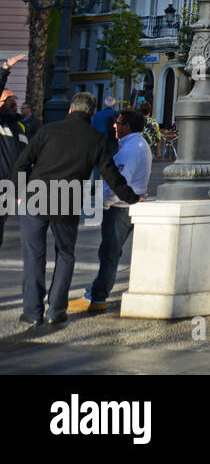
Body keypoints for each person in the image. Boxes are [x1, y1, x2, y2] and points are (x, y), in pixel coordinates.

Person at [11, 92, 141, 326]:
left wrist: (20, 192)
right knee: (65, 254)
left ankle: (31, 312)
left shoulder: (47, 131)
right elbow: (112, 176)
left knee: (33, 255)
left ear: (70, 110)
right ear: (91, 114)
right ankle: (56, 311)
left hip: (35, 196)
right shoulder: (96, 139)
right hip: (66, 201)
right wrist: (132, 197)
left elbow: (21, 163)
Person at [68, 109, 153, 314]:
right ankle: (96, 294)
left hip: (120, 209)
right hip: (125, 206)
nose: (114, 125)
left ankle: (96, 297)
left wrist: (103, 203)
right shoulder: (136, 145)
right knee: (110, 252)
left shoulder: (131, 149)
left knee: (109, 253)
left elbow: (120, 184)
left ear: (128, 126)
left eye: (119, 122)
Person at [0, 90, 30, 247]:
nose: (13, 103)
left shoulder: (20, 127)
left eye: (14, 99)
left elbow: (25, 159)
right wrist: (4, 70)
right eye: (8, 100)